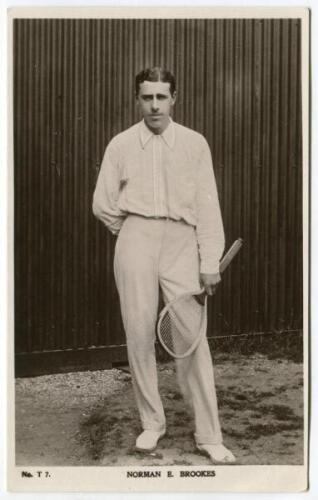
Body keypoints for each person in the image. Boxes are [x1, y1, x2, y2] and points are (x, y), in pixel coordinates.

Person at [92, 67, 235, 464]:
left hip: (181, 243)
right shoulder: (120, 145)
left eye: (161, 97)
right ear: (137, 100)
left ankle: (209, 434)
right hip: (135, 239)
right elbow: (102, 203)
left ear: (174, 99)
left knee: (190, 338)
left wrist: (209, 261)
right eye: (146, 97)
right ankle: (152, 424)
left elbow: (209, 209)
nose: (154, 105)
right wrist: (134, 229)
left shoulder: (194, 144)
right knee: (138, 332)